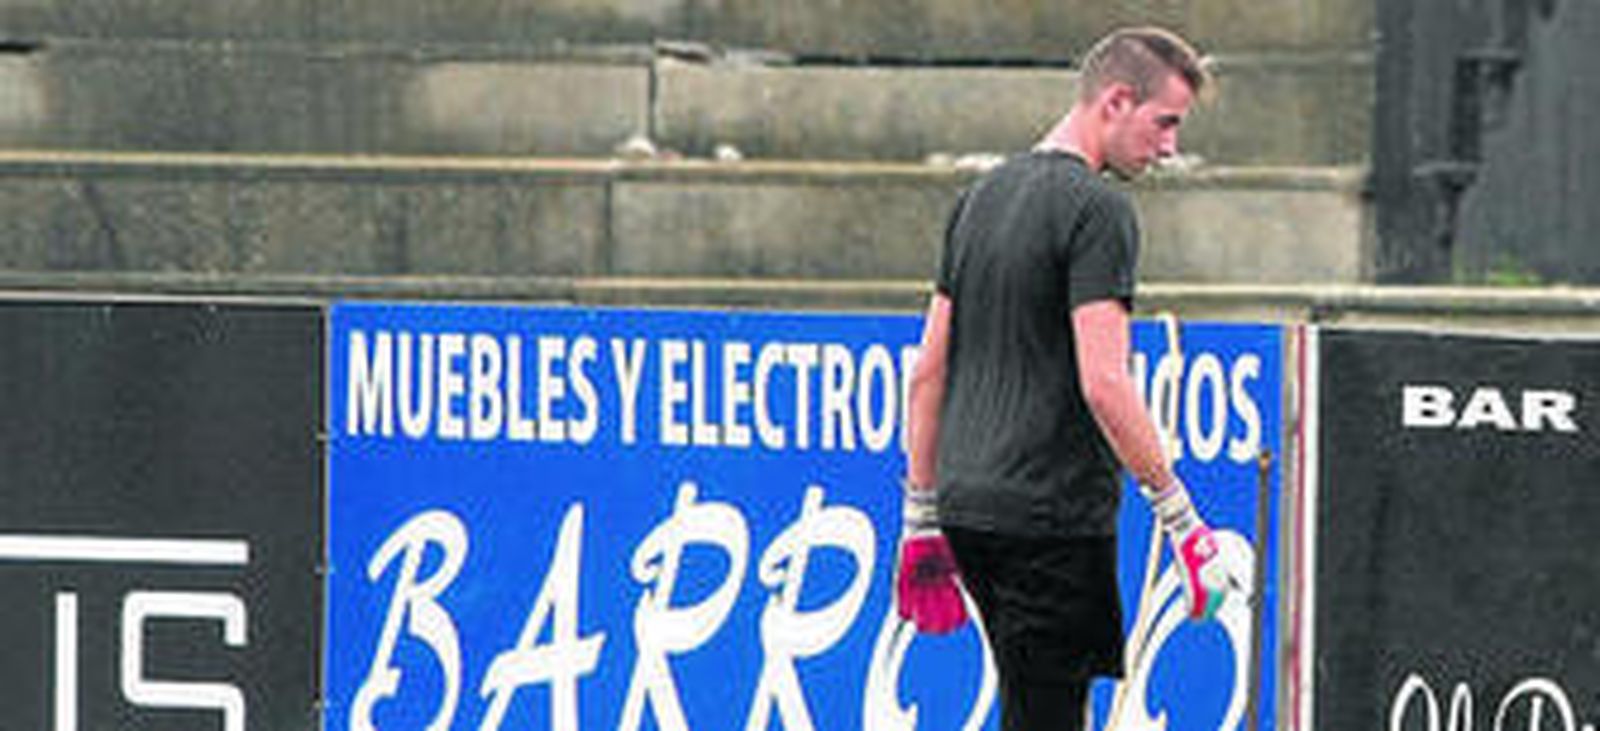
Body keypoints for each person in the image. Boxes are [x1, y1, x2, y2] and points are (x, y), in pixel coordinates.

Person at [893, 26, 1232, 731]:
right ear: (1115, 101)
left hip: (970, 507)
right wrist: (1182, 518)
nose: (1169, 146)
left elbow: (928, 371)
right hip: (1050, 515)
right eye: (1164, 122)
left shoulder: (980, 198)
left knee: (1032, 703)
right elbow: (1104, 380)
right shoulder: (1100, 210)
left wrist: (921, 518)